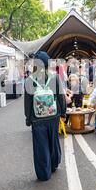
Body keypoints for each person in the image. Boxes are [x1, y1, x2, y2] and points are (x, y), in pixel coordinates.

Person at [24, 51, 66, 181]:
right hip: (53, 116)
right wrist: (63, 112)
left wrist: (28, 118)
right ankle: (54, 164)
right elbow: (61, 96)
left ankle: (44, 174)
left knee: (40, 146)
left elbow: (28, 102)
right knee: (53, 141)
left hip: (37, 119)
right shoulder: (54, 77)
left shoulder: (29, 80)